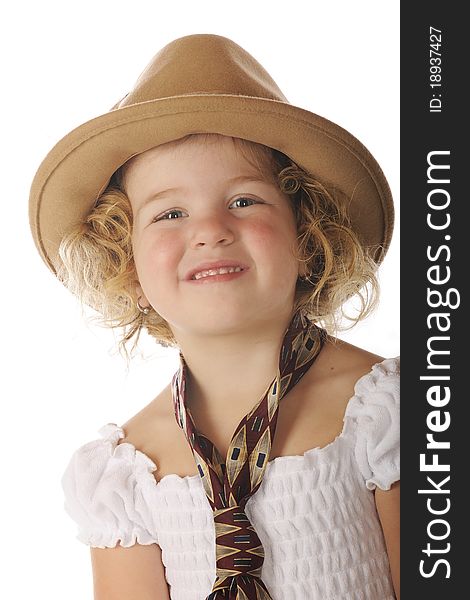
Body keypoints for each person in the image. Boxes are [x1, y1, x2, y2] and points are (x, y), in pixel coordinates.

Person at [29, 34, 399, 600]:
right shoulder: (128, 476)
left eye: (244, 200)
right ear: (127, 267)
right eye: (169, 212)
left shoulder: (388, 416)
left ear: (308, 236)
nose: (209, 230)